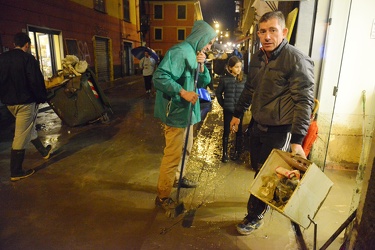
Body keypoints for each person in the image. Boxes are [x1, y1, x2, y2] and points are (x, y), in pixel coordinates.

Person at [230, 11, 315, 235]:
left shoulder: (296, 59)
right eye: (263, 31)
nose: (267, 36)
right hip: (258, 125)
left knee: (269, 174)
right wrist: (238, 113)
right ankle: (259, 204)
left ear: (284, 32)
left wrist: (297, 140)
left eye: (273, 30)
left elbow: (304, 101)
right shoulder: (258, 58)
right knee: (258, 168)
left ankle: (255, 216)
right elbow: (250, 88)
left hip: (281, 129)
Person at [153, 20, 217, 213]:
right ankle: (163, 195)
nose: (209, 46)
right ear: (201, 37)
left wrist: (202, 66)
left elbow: (204, 82)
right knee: (172, 155)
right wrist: (182, 92)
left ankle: (178, 177)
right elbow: (159, 77)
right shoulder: (180, 51)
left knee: (187, 148)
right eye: (209, 42)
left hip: (189, 113)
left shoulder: (196, 54)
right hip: (177, 113)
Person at [0, 32, 52, 182]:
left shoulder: (2, 58)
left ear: (14, 43)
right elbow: (35, 81)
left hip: (9, 103)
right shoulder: (28, 59)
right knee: (21, 134)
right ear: (27, 45)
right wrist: (42, 97)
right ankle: (16, 171)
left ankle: (44, 152)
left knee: (29, 127)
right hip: (25, 103)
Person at [215, 56, 246, 163]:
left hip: (239, 111)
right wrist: (223, 104)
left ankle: (237, 153)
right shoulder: (224, 79)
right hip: (228, 110)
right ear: (230, 67)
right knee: (226, 131)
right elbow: (218, 93)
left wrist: (244, 106)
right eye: (236, 67)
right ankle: (224, 154)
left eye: (240, 67)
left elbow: (248, 94)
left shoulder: (244, 79)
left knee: (239, 132)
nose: (239, 69)